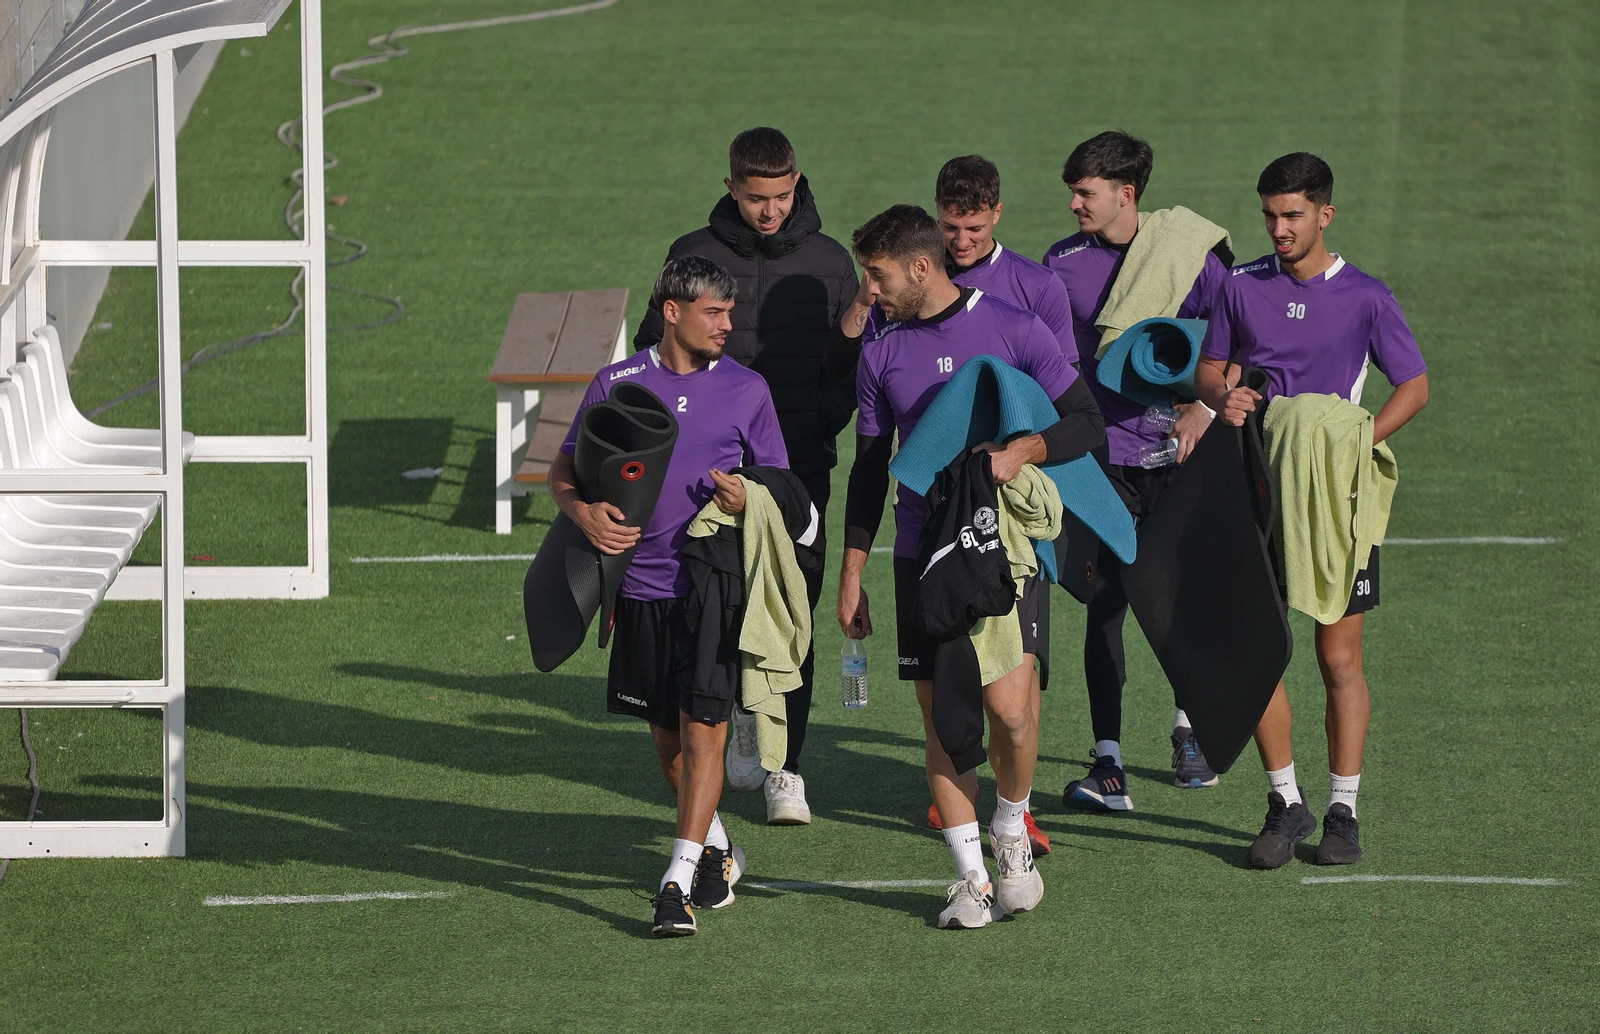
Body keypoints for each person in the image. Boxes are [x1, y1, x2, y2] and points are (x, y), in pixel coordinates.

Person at [833, 205, 1104, 929]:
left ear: (921, 268)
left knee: (1012, 717)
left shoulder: (1016, 327)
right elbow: (868, 469)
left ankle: (1011, 828)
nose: (870, 289)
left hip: (1004, 549)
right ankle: (971, 878)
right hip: (925, 555)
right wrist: (853, 568)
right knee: (946, 723)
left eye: (878, 274)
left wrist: (1023, 453)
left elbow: (1085, 422)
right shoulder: (880, 351)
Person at [1195, 152, 1429, 867]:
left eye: (1292, 214)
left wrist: (1358, 444)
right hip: (1257, 490)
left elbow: (1413, 385)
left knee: (1337, 657)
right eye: (1270, 215)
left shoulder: (1365, 296)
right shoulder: (1240, 287)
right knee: (1260, 653)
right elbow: (1209, 368)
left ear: (1325, 214)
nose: (1279, 227)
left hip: (1334, 502)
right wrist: (1221, 395)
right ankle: (1284, 803)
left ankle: (1344, 813)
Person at [553, 256, 790, 936]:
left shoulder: (748, 390)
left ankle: (674, 883)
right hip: (640, 592)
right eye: (714, 312)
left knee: (704, 732)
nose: (728, 324)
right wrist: (582, 514)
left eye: (729, 311)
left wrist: (751, 497)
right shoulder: (617, 382)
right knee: (669, 748)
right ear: (673, 311)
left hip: (712, 588)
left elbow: (782, 487)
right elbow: (566, 468)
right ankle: (716, 849)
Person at [634, 127, 858, 826]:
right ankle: (730, 716)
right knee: (714, 614)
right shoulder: (692, 253)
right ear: (731, 187)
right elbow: (653, 350)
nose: (769, 211)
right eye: (756, 198)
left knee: (792, 616)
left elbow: (845, 367)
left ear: (798, 183)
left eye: (782, 196)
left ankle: (785, 767)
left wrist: (820, 425)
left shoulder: (829, 261)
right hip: (704, 478)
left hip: (797, 471)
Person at [1041, 131, 1233, 809]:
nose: (1073, 204)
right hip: (1102, 460)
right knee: (1105, 604)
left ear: (1126, 193)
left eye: (1085, 191)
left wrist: (1204, 414)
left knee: (1178, 600)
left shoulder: (1192, 257)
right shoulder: (1059, 265)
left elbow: (1237, 345)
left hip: (1178, 455)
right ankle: (1108, 763)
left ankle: (1190, 732)